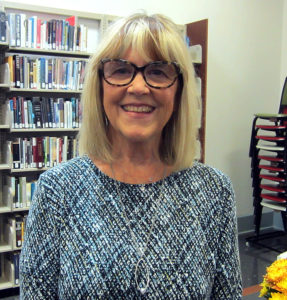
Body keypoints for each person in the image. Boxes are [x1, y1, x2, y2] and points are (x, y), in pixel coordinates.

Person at [20, 13, 242, 299]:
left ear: (180, 90)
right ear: (99, 86)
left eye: (159, 71)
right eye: (121, 70)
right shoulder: (57, 190)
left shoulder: (214, 192)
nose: (138, 88)